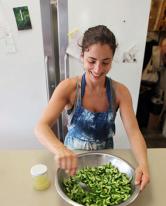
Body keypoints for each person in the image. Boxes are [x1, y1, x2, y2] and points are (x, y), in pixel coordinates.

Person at [35, 25, 150, 191]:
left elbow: (134, 133)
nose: (98, 69)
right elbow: (41, 127)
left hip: (105, 161)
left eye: (105, 62)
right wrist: (60, 149)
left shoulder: (120, 92)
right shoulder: (69, 88)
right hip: (72, 161)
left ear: (112, 60)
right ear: (82, 56)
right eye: (91, 61)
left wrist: (144, 165)